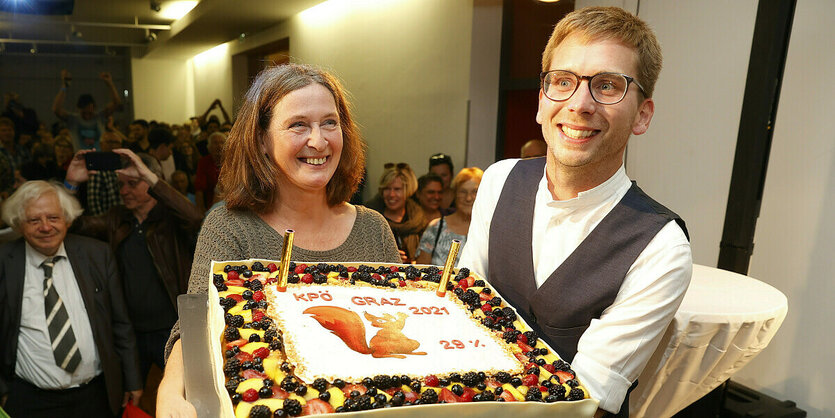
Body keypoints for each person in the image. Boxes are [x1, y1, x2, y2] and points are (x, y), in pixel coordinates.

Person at [458, 7, 692, 417]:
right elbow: (465, 306)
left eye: (607, 85)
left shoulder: (661, 247)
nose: (580, 104)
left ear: (642, 115)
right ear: (540, 102)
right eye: (562, 82)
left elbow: (586, 403)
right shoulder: (498, 180)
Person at [156, 63, 400, 417]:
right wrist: (169, 389)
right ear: (261, 141)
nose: (318, 140)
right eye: (298, 124)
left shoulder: (373, 228)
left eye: (329, 123)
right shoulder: (229, 227)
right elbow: (195, 326)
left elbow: (394, 321)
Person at [64, 147, 203, 399]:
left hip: (172, 329)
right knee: (128, 400)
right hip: (132, 333)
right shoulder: (117, 218)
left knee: (187, 397)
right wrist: (71, 183)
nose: (124, 191)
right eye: (121, 185)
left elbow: (196, 219)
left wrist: (148, 175)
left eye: (132, 183)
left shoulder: (170, 218)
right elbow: (71, 225)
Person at [0, 180, 142, 417]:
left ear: (67, 219)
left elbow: (120, 323)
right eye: (34, 220)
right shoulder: (4, 262)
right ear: (18, 224)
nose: (45, 227)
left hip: (95, 395)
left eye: (53, 218)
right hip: (29, 399)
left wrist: (133, 379)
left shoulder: (97, 254)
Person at [416, 167, 482, 266]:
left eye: (475, 192)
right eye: (463, 191)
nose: (468, 198)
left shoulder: (489, 230)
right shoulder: (436, 227)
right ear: (455, 194)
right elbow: (420, 271)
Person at [52, 70, 122, 151]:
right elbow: (56, 109)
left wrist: (110, 84)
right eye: (84, 113)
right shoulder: (73, 119)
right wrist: (64, 86)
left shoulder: (99, 117)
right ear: (78, 109)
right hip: (80, 159)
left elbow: (116, 103)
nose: (87, 116)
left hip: (99, 157)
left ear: (94, 108)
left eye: (90, 113)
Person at [370, 163, 426, 263]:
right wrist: (389, 257)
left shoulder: (419, 220)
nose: (391, 194)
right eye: (387, 189)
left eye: (397, 189)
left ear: (407, 190)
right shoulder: (371, 219)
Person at [193, 131, 225, 212]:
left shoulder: (233, 161)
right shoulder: (204, 162)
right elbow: (199, 188)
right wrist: (201, 208)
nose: (219, 146)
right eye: (215, 143)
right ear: (209, 147)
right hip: (211, 204)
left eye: (222, 142)